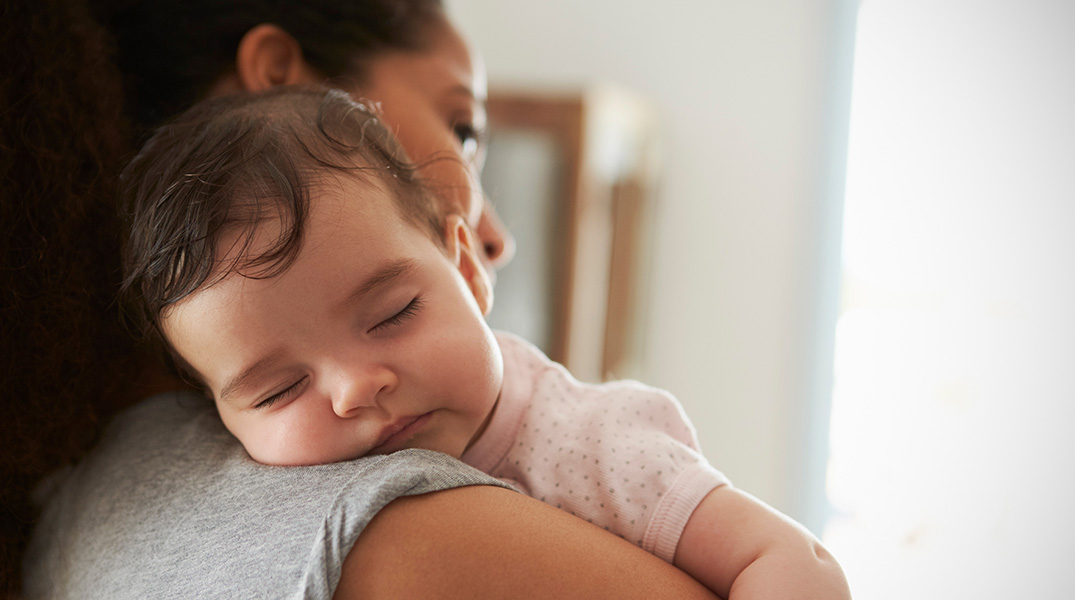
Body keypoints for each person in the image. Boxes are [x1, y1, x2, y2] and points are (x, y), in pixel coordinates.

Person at [13, 0, 723, 597]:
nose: (496, 239)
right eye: (462, 129)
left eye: (391, 313)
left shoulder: (67, 510)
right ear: (273, 82)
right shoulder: (398, 534)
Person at [118, 86, 851, 599]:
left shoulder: (595, 445)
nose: (353, 388)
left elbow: (794, 560)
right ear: (217, 414)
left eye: (393, 313)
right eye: (278, 390)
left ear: (466, 266)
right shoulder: (248, 496)